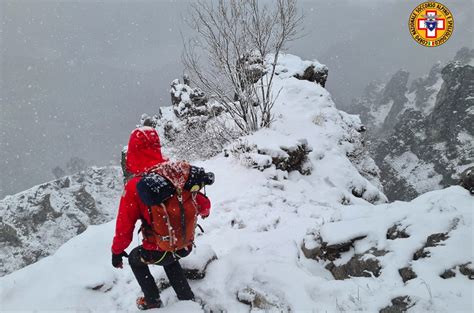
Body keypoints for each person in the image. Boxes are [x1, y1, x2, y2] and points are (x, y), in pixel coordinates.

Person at [111, 126, 211, 310]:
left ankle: (152, 300)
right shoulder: (176, 175)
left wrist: (117, 252)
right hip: (184, 246)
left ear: (132, 152)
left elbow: (124, 228)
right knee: (169, 257)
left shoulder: (136, 186)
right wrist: (202, 214)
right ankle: (186, 297)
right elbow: (204, 205)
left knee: (135, 259)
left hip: (160, 250)